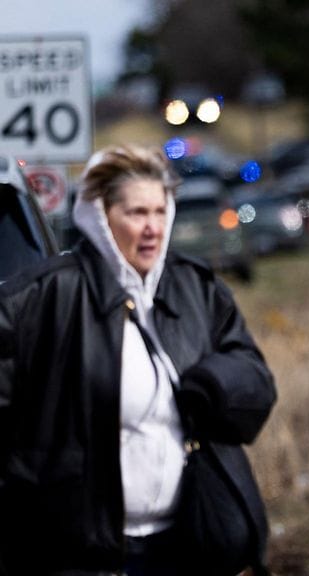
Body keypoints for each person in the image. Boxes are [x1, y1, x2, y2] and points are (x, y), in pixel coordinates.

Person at [0, 145, 276, 575]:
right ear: (100, 217)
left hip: (184, 541)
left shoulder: (196, 290)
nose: (152, 229)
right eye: (136, 213)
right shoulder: (40, 299)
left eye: (159, 212)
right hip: (78, 554)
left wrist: (216, 384)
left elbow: (256, 379)